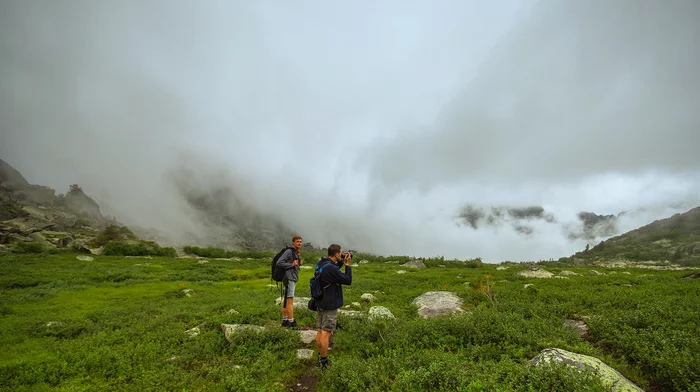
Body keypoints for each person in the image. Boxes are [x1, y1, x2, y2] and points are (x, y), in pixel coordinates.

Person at [314, 244, 352, 369]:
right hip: (329, 303)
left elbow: (332, 271)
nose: (341, 255)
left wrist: (340, 262)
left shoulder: (321, 263)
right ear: (336, 254)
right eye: (340, 253)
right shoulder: (331, 268)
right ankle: (324, 362)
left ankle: (320, 357)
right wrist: (347, 265)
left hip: (320, 301)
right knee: (326, 332)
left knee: (320, 330)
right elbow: (347, 280)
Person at [276, 235, 303, 328]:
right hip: (289, 278)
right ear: (293, 243)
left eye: (300, 241)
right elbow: (279, 262)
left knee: (286, 300)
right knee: (290, 300)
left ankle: (285, 320)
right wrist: (291, 265)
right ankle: (292, 322)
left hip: (290, 277)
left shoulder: (294, 252)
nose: (299, 243)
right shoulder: (289, 251)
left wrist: (298, 264)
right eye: (298, 241)